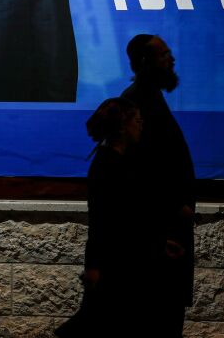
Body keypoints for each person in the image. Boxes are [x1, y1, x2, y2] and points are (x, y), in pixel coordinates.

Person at [56, 98, 154, 337]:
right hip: (115, 262)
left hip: (121, 260)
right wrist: (95, 266)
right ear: (122, 127)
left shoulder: (119, 162)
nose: (141, 125)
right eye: (137, 121)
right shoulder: (108, 166)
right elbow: (102, 219)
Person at [121, 34, 195, 336]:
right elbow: (140, 175)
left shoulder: (150, 98)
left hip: (166, 238)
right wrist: (164, 229)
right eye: (164, 54)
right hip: (158, 243)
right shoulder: (137, 103)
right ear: (144, 62)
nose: (172, 59)